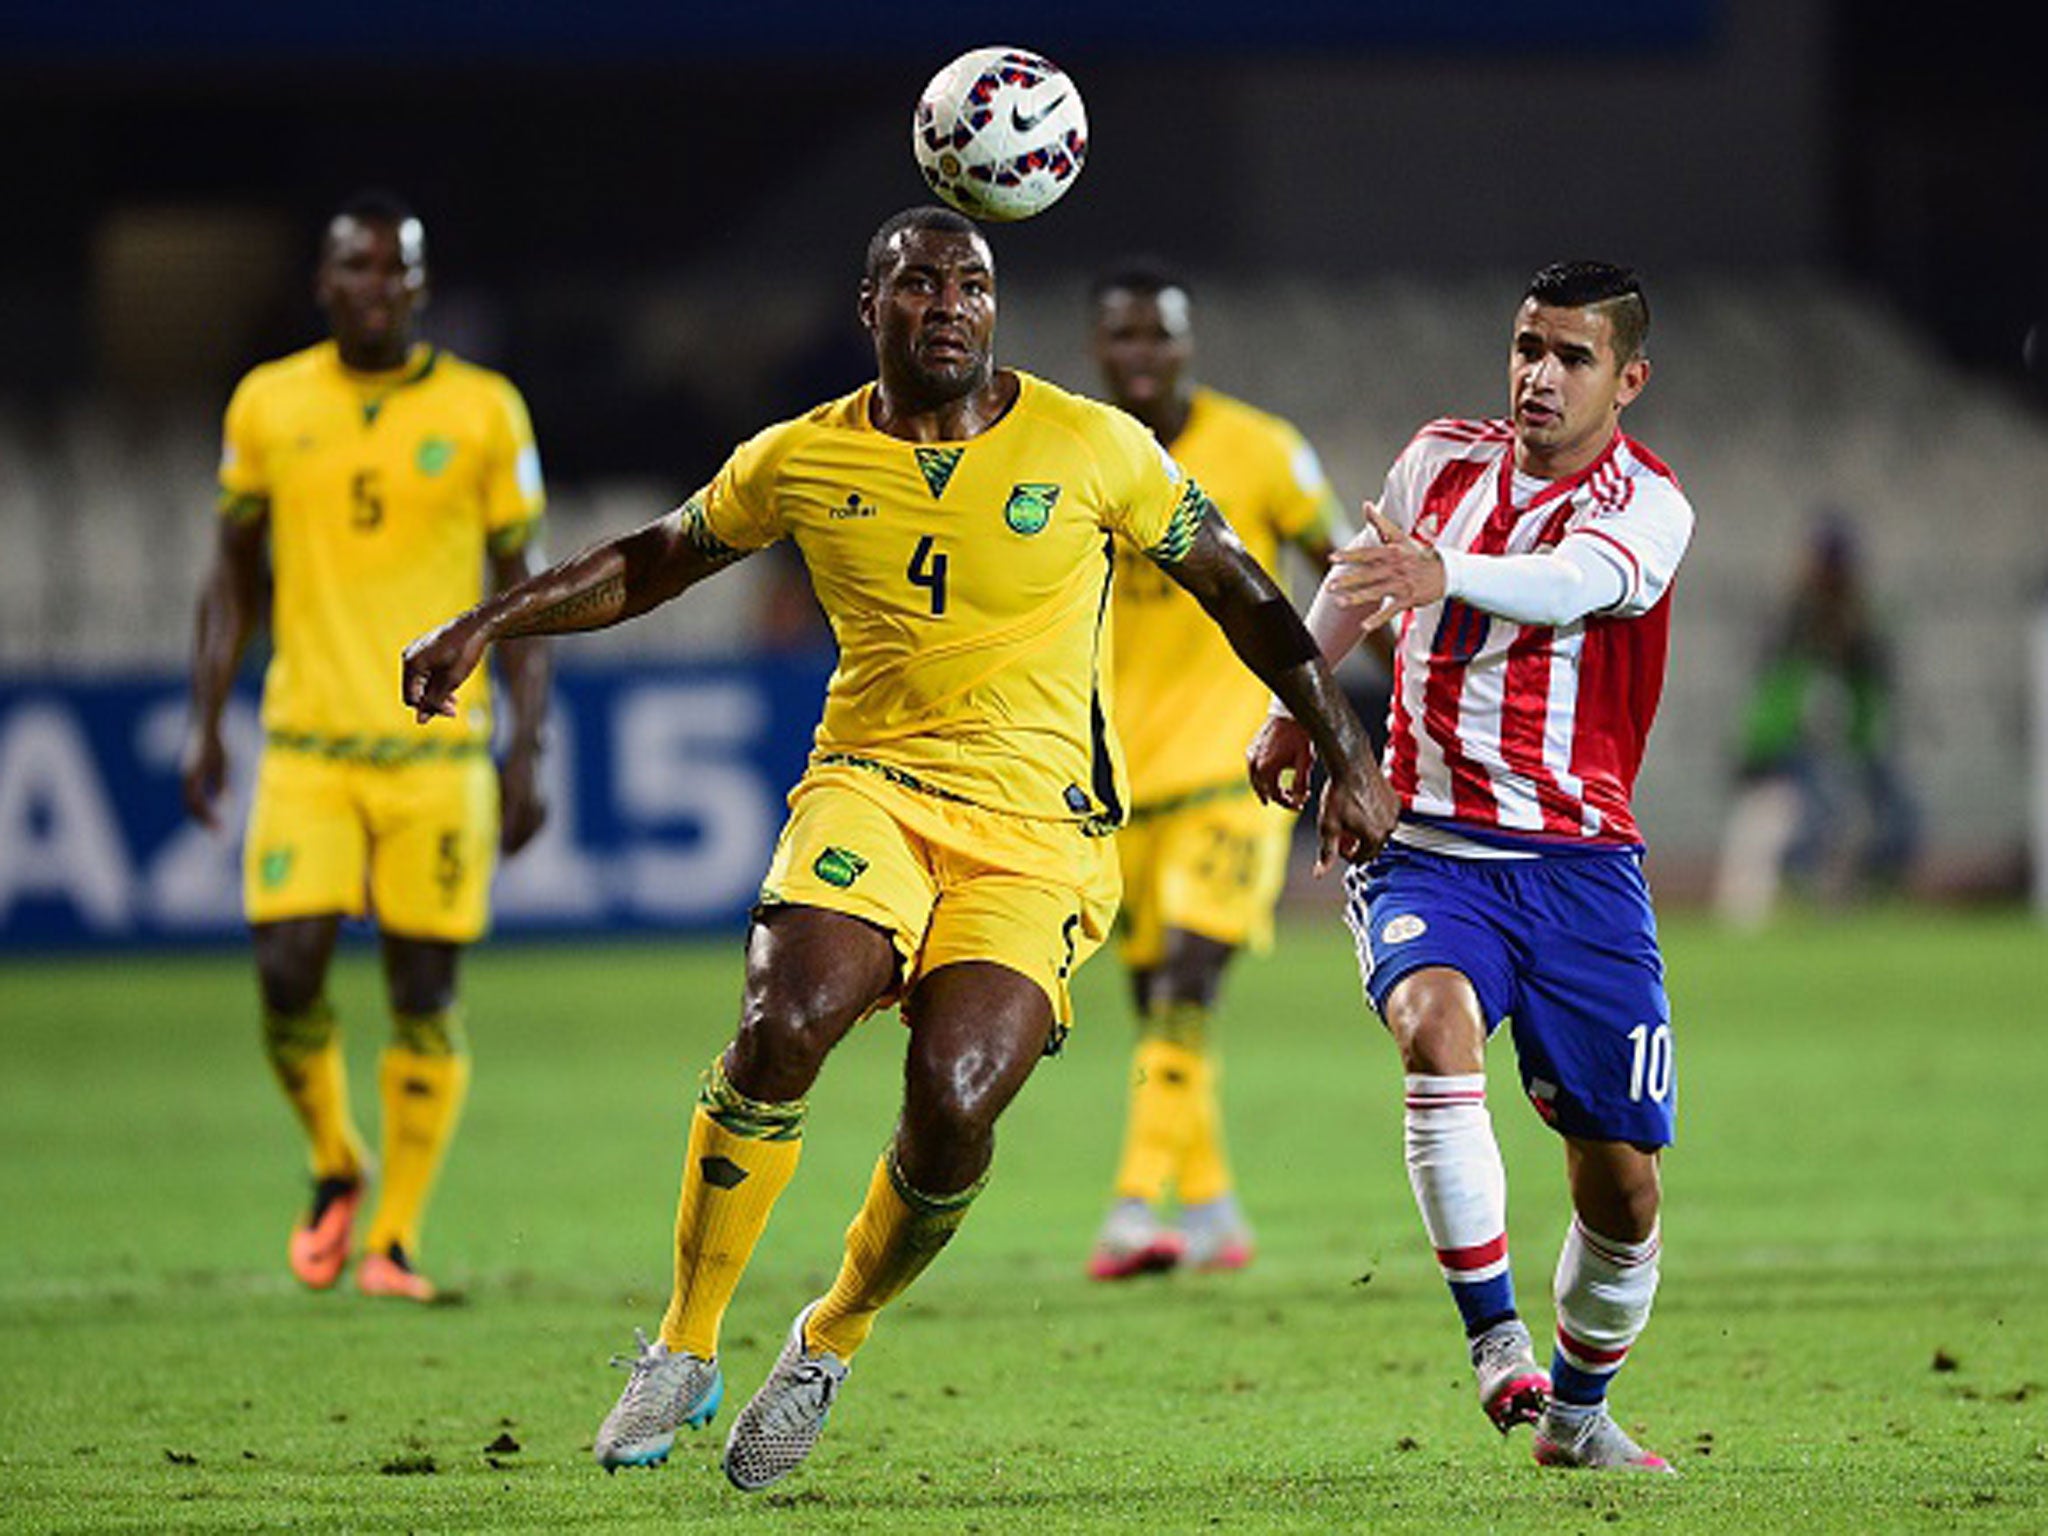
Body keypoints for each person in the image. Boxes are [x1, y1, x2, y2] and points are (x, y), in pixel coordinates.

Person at [400, 205, 1397, 1492]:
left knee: (954, 1100)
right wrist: (490, 622)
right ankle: (685, 1343)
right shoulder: (799, 456)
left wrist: (1346, 749)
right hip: (868, 792)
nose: (950, 305)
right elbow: (653, 561)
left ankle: (826, 1340)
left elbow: (1245, 593)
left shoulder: (1095, 445)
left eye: (971, 283)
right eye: (919, 284)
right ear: (868, 305)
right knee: (785, 1018)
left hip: (1040, 832)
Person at [1250, 261, 1694, 1473]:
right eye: (1524, 347)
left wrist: (1445, 575)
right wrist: (1301, 708)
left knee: (1621, 1192)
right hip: (1427, 847)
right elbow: (1352, 578)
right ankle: (1496, 1342)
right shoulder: (1435, 460)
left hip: (1580, 868)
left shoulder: (1649, 507)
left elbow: (1573, 587)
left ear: (1627, 379)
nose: (1537, 375)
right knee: (1431, 1026)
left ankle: (1578, 1414)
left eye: (1570, 357)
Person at [182, 191, 551, 1303]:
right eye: (354, 269)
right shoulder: (268, 403)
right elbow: (232, 578)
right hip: (306, 744)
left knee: (422, 990)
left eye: (394, 271)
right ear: (322, 282)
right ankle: (337, 1161)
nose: (373, 288)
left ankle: (391, 1238)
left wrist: (527, 745)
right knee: (285, 971)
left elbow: (521, 591)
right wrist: (205, 718)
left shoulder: (486, 411)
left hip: (438, 754)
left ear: (419, 287)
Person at [1082, 262, 1348, 1280]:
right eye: (1123, 338)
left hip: (1232, 777)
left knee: (1189, 979)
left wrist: (1397, 696)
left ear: (1186, 346)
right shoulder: (1080, 458)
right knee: (1161, 1008)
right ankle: (1209, 1210)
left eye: (1158, 336)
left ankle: (1129, 1207)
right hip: (1121, 788)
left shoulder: (1263, 450)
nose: (1140, 355)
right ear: (1097, 350)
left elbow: (1342, 570)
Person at [1712, 513, 1915, 927]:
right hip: (1781, 745)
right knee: (1783, 826)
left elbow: (1874, 685)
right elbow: (1779, 692)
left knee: (1880, 816)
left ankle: (1842, 895)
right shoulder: (1795, 615)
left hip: (1834, 743)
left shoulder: (1859, 620)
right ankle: (1804, 895)